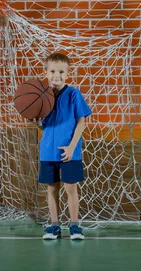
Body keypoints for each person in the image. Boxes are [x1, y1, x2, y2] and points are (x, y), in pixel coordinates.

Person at [32, 53, 92, 240]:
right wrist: (37, 122)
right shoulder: (41, 97)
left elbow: (81, 123)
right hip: (48, 151)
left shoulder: (74, 94)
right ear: (46, 73)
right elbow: (43, 125)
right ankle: (55, 225)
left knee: (70, 188)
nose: (56, 75)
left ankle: (74, 226)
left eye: (60, 71)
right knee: (51, 189)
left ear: (67, 73)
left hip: (69, 152)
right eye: (52, 71)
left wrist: (72, 147)